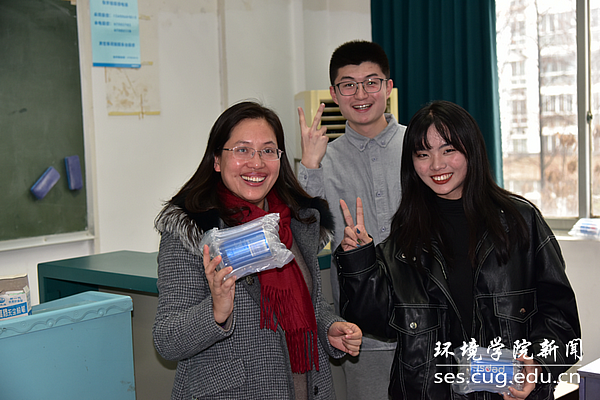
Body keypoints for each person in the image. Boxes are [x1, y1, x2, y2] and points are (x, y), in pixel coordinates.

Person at [335, 100, 581, 400]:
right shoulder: (405, 239)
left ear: (470, 150)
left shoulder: (520, 221)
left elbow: (561, 316)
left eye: (448, 150)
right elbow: (374, 320)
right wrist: (360, 260)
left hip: (509, 393)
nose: (436, 165)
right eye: (422, 154)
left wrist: (538, 365)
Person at [153, 101, 362, 400]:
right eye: (242, 150)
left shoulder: (294, 221)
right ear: (217, 160)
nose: (256, 162)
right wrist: (216, 311)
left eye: (267, 150)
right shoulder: (193, 229)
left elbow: (310, 303)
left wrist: (329, 327)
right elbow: (167, 339)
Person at [297, 40, 405, 400]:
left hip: (433, 322)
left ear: (388, 87)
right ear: (334, 94)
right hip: (364, 335)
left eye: (372, 82)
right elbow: (303, 242)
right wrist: (308, 166)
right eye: (348, 84)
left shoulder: (421, 148)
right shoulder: (322, 162)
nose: (361, 94)